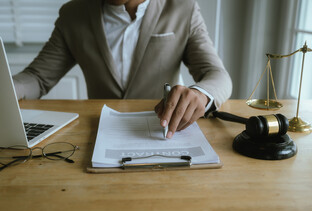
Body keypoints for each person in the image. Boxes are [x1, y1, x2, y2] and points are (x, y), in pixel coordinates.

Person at [13, 0, 232, 138]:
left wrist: (200, 94)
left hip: (163, 132)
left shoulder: (183, 8)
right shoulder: (73, 14)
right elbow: (37, 77)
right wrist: (8, 88)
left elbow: (217, 75)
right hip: (100, 134)